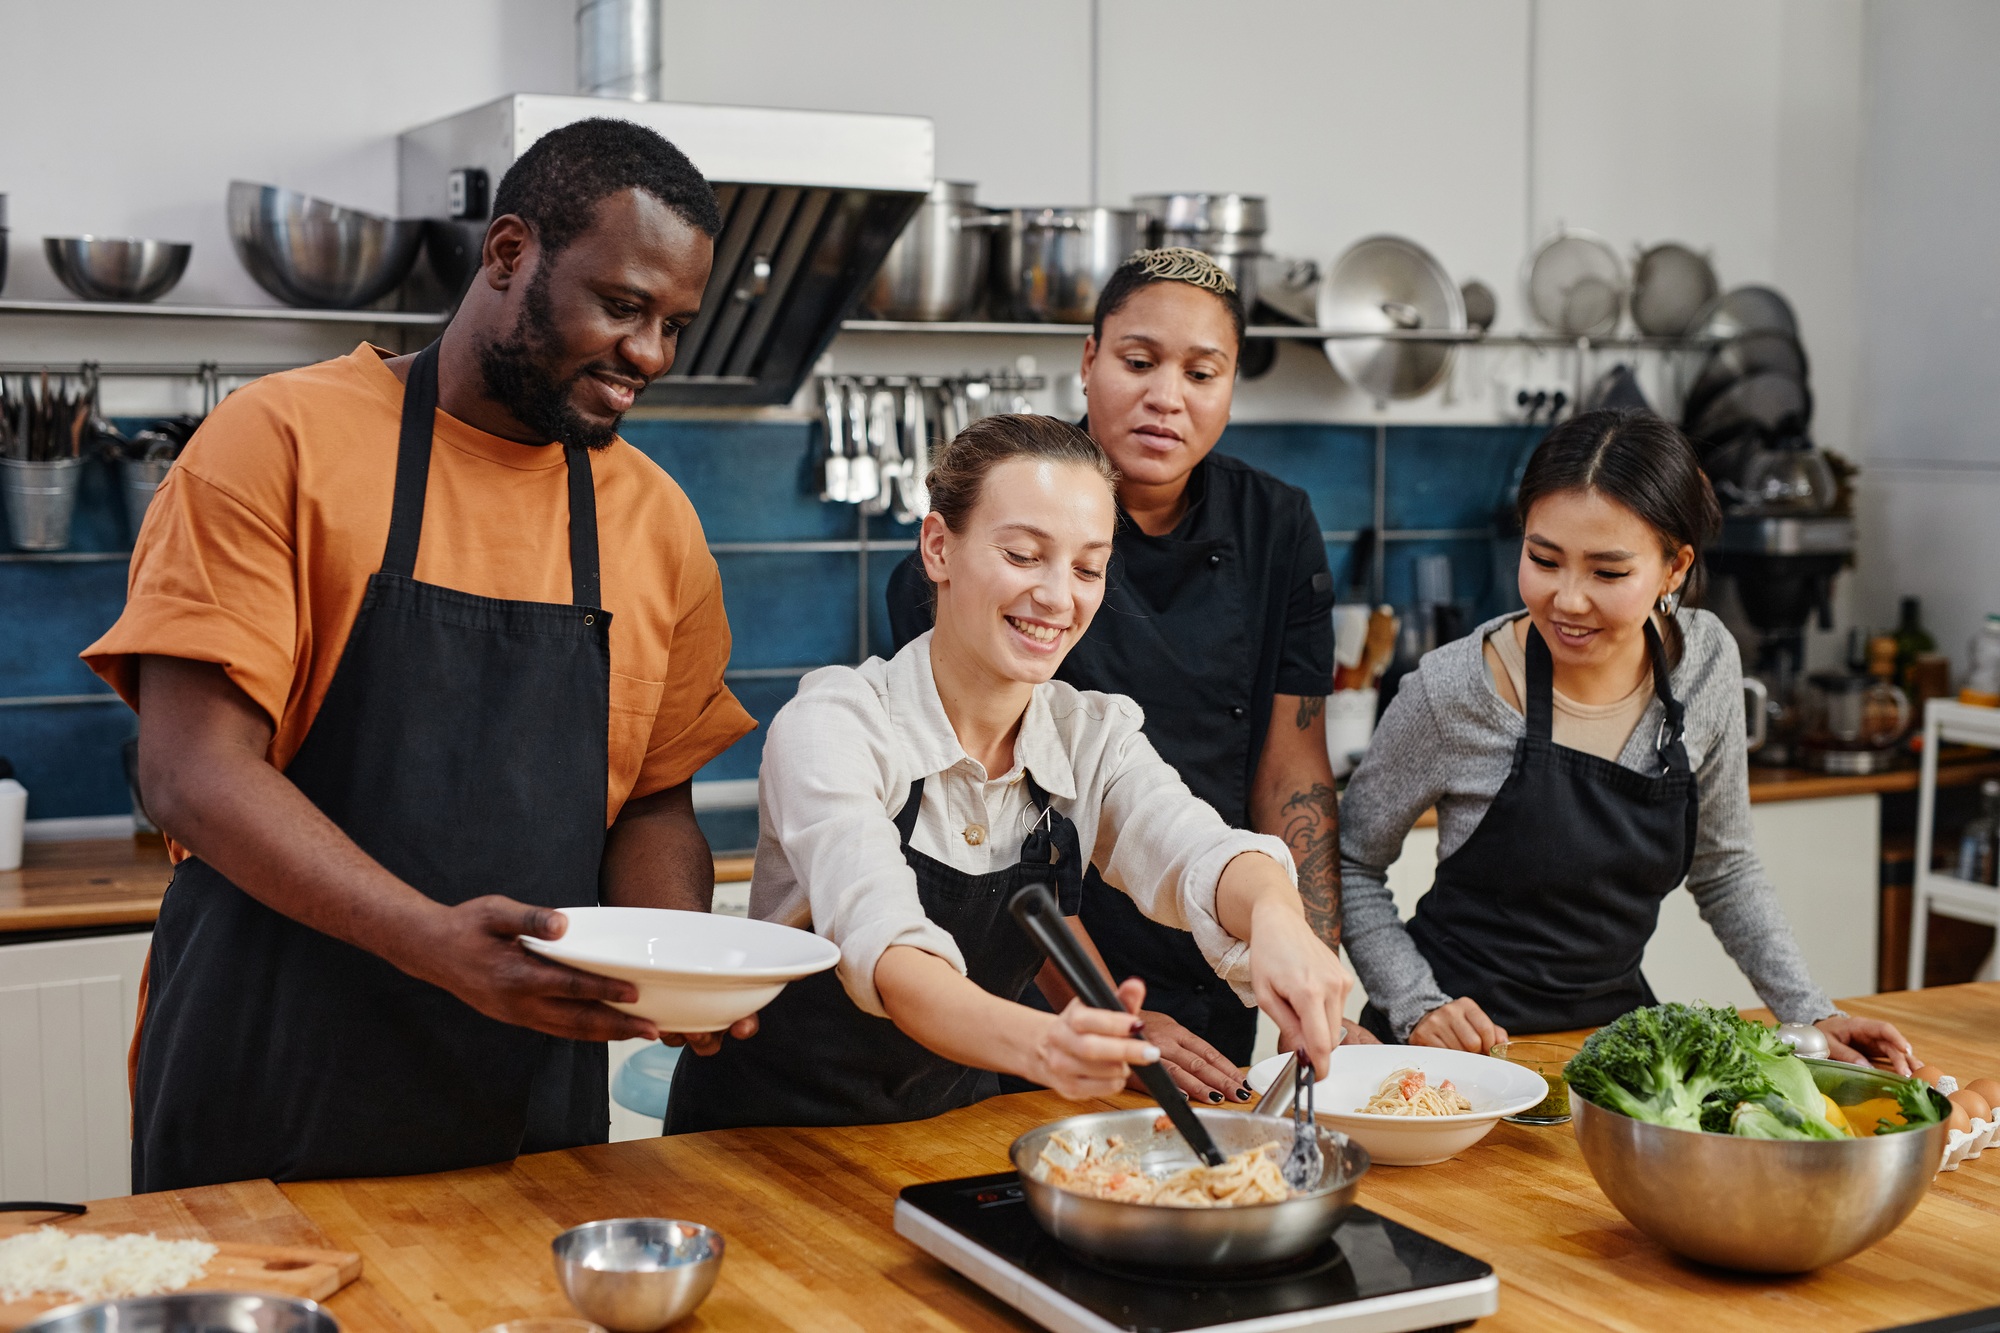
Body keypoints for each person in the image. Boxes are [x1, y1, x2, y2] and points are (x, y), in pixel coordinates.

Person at [83, 119, 762, 1191]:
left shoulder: (655, 521)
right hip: (270, 1070)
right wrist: (432, 940)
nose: (649, 355)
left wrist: (677, 958)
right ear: (507, 254)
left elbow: (649, 798)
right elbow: (192, 771)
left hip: (527, 1098)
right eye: (622, 306)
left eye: (672, 323)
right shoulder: (278, 441)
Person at [666, 414, 1353, 1133]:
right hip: (764, 1140)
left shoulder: (1090, 735)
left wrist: (1278, 917)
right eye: (1025, 555)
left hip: (944, 1133)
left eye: (1088, 568)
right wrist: (1050, 1043)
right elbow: (892, 952)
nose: (1060, 597)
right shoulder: (836, 724)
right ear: (939, 547)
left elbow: (1195, 849)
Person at [885, 249, 1365, 1099]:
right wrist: (1112, 1018)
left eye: (1201, 371)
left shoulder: (1275, 525)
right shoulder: (953, 591)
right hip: (1029, 991)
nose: (1166, 396)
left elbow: (1275, 781)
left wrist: (1304, 954)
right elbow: (999, 841)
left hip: (1218, 961)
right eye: (1139, 362)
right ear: (1089, 359)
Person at [1338, 410, 1916, 1072]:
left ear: (1674, 568)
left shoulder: (1705, 664)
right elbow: (1348, 862)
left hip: (1609, 1059)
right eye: (1542, 558)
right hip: (1445, 1060)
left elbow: (1724, 865)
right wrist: (1417, 1004)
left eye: (1608, 572)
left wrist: (1812, 1012)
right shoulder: (1455, 691)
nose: (1567, 599)